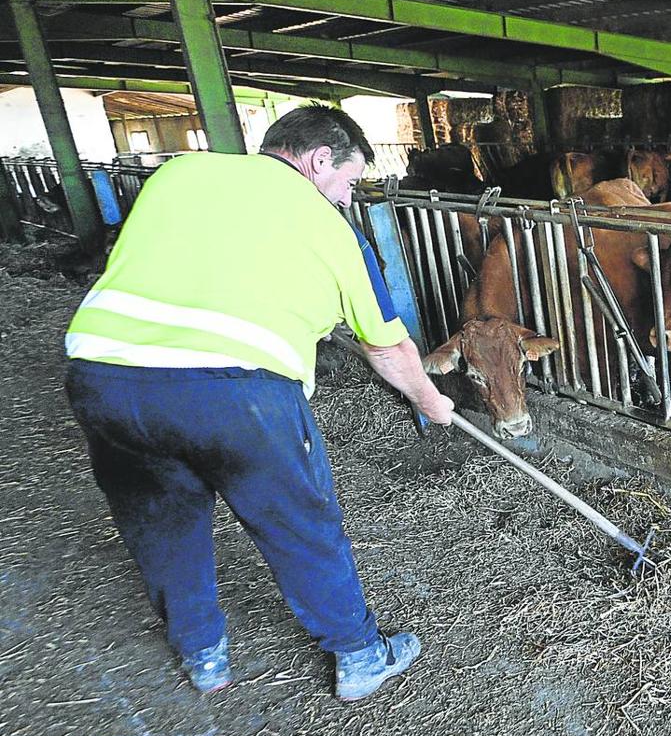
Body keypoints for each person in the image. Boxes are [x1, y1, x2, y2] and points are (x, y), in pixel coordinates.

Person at [63, 105, 454, 701]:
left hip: (106, 378)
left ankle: (203, 656)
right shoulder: (335, 231)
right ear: (320, 159)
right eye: (349, 182)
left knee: (160, 523)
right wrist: (430, 401)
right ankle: (357, 655)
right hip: (238, 394)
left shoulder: (176, 174)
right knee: (301, 524)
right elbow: (389, 348)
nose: (348, 199)